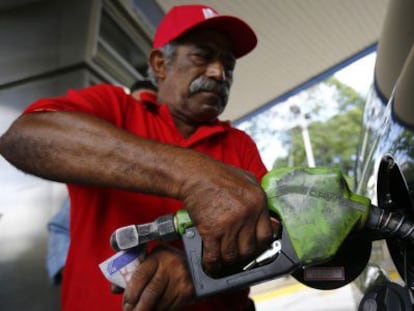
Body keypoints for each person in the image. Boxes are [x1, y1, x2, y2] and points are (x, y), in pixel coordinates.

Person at [0, 4, 273, 311]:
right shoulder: (115, 108)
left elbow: (273, 239)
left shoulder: (239, 144)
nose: (218, 72)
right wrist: (190, 175)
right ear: (160, 64)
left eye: (229, 65)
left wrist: (201, 271)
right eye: (203, 56)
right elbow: (24, 135)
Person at [45, 80, 158, 286]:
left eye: (149, 107)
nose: (140, 114)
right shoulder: (97, 173)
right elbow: (60, 226)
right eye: (135, 105)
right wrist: (67, 269)